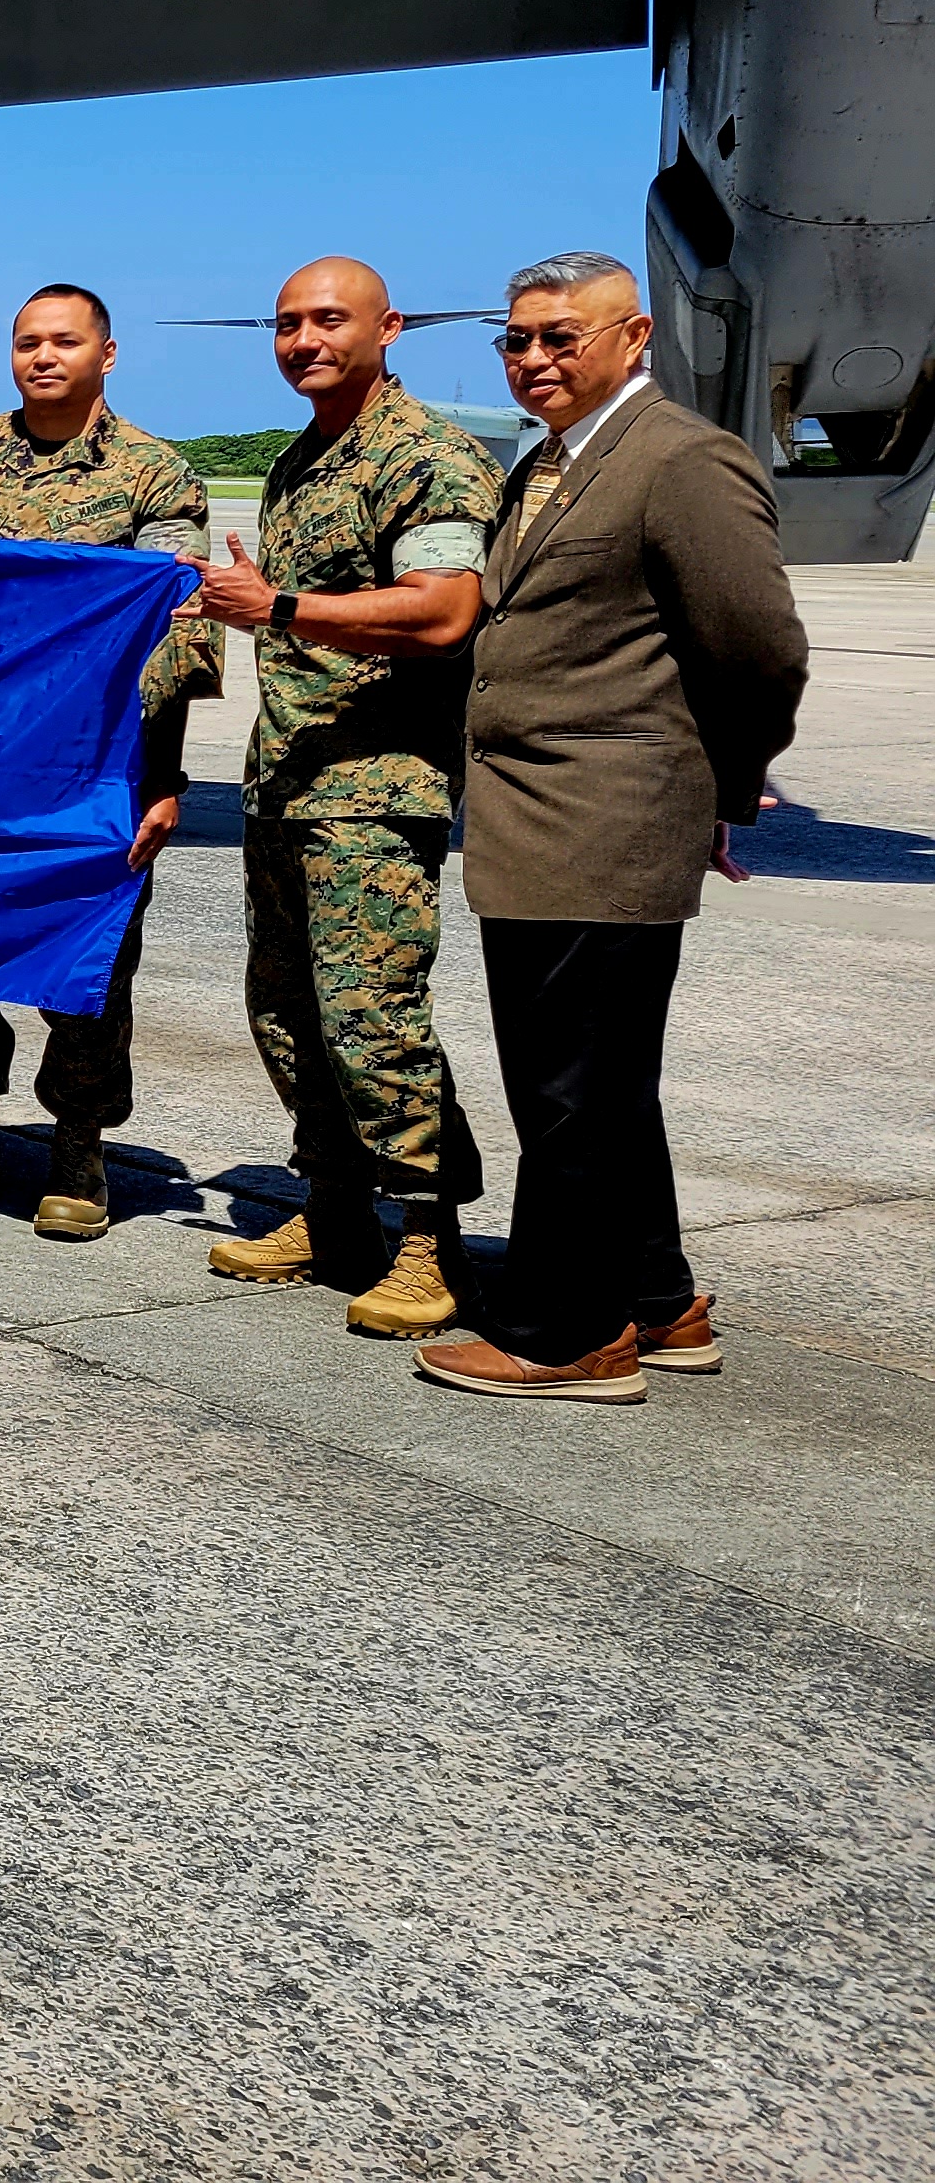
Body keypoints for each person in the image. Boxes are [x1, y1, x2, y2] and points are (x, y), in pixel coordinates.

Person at [418, 253, 808, 1403]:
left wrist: (724, 786)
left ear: (633, 337)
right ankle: (655, 1298)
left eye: (559, 338)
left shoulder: (683, 459)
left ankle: (566, 1335)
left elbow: (759, 644)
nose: (533, 358)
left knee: (571, 1090)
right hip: (542, 820)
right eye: (516, 340)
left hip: (607, 816)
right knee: (599, 1082)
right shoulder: (552, 462)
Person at [188, 256, 498, 1340]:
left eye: (328, 320)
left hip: (375, 786)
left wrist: (274, 604)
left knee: (373, 1018)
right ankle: (330, 1208)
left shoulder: (428, 459)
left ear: (389, 328)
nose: (304, 340)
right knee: (287, 1013)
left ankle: (426, 1237)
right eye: (286, 325)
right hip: (288, 781)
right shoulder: (301, 460)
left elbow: (443, 610)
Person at [0, 284, 218, 1238]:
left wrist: (164, 779)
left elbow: (176, 638)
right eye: (27, 342)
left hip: (89, 767)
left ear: (107, 354)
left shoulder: (156, 478)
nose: (43, 357)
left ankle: (78, 1150)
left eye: (65, 341)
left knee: (87, 960)